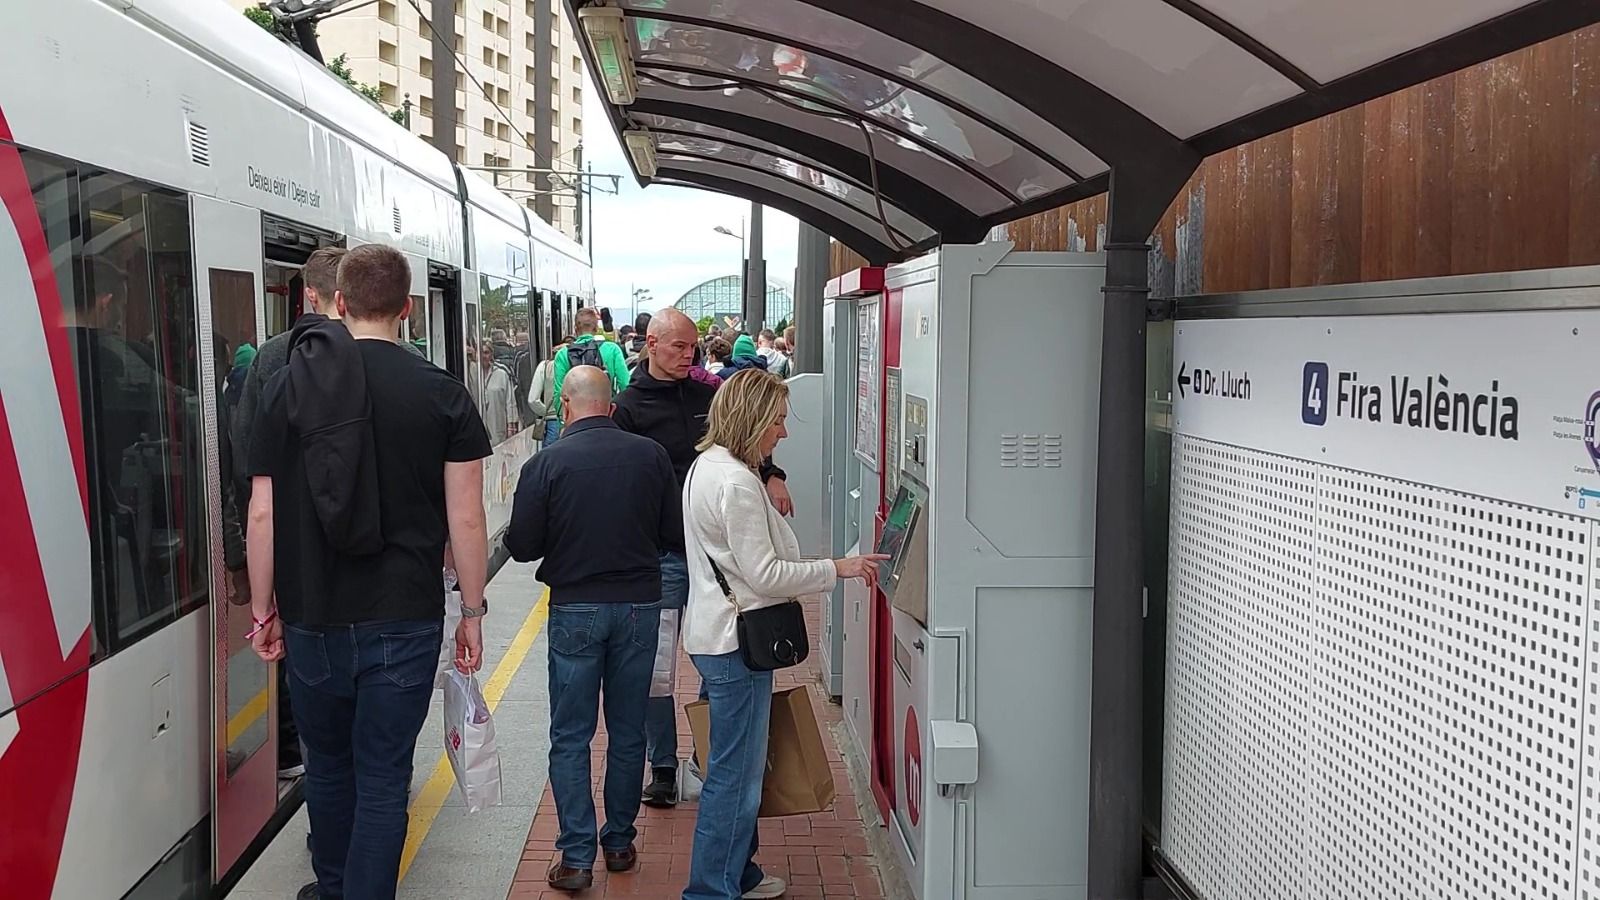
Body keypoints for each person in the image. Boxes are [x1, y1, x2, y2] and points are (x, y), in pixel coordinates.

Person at [247, 245, 492, 900]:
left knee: (327, 774)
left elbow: (263, 514)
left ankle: (332, 890)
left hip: (313, 617)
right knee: (383, 779)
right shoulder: (442, 393)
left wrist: (264, 609)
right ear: (409, 309)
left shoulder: (284, 387)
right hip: (404, 618)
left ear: (341, 304)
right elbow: (467, 520)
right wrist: (472, 612)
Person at [680, 370, 886, 900]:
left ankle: (738, 873)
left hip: (715, 636)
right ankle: (709, 890)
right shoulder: (738, 484)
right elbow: (766, 574)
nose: (783, 433)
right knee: (735, 778)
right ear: (751, 419)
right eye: (777, 420)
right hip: (736, 645)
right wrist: (837, 568)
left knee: (731, 766)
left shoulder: (708, 466)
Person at [505, 367, 679, 892]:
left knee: (571, 734)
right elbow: (672, 535)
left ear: (565, 406)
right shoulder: (651, 457)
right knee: (629, 731)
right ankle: (620, 842)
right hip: (639, 607)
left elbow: (522, 546)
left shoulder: (547, 463)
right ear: (610, 406)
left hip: (575, 609)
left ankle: (577, 856)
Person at [614, 310, 796, 809]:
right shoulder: (628, 408)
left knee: (726, 658)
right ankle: (664, 765)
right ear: (651, 344)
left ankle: (707, 755)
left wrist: (773, 472)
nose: (688, 356)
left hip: (713, 559)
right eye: (678, 348)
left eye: (693, 348)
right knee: (658, 669)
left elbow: (743, 440)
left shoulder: (706, 396)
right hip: (664, 556)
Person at [234, 246, 348, 780]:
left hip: (289, 543)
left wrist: (253, 574)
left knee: (297, 654)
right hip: (363, 557)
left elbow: (246, 463)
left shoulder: (272, 359)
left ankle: (290, 750)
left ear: (309, 294)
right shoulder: (385, 356)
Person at [552, 307, 630, 422]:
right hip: (606, 420)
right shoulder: (612, 349)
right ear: (596, 328)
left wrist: (563, 423)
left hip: (575, 423)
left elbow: (559, 394)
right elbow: (625, 385)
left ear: (575, 328)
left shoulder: (563, 354)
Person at [531, 335, 572, 444]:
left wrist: (547, 412)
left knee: (551, 458)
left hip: (552, 422)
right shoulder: (580, 364)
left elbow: (533, 400)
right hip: (576, 420)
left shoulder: (544, 366)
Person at [478, 341, 516, 442]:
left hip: (498, 427)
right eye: (480, 352)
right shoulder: (471, 374)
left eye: (486, 352)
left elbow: (510, 402)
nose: (483, 356)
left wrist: (511, 427)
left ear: (491, 354)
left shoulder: (502, 374)